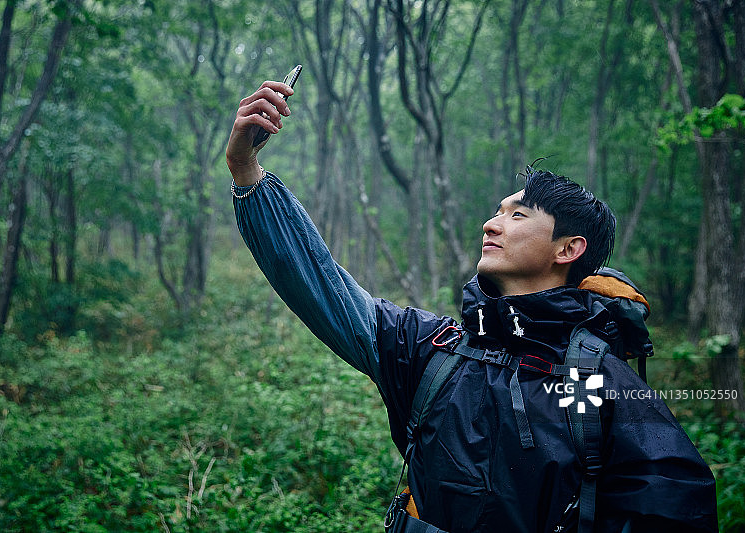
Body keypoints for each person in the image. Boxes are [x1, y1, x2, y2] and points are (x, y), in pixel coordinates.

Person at [226, 79, 718, 532]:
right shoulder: (431, 350)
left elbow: (674, 508)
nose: (490, 224)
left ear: (568, 249)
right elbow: (321, 283)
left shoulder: (599, 383)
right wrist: (246, 172)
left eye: (518, 215)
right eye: (496, 212)